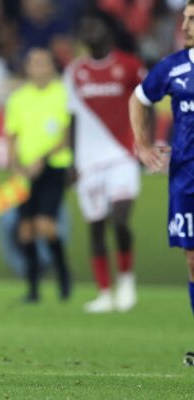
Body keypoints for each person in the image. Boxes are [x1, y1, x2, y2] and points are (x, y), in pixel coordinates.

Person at [64, 10, 145, 313]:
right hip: (88, 162)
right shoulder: (74, 72)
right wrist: (72, 162)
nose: (89, 31)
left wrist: (145, 142)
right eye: (84, 27)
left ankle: (126, 281)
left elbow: (144, 105)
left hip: (123, 154)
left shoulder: (129, 65)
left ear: (108, 31)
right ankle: (105, 293)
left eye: (94, 25)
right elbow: (72, 117)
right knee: (96, 227)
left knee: (121, 220)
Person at [129, 0, 194, 365]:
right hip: (186, 179)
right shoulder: (173, 68)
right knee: (192, 261)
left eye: (192, 19)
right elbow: (139, 99)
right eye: (184, 18)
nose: (185, 26)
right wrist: (142, 144)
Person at [5, 48, 72, 302]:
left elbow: (67, 136)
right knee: (25, 230)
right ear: (28, 68)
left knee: (46, 226)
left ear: (52, 67)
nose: (39, 68)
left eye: (44, 63)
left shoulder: (63, 95)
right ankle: (33, 290)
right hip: (25, 171)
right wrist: (14, 162)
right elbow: (11, 135)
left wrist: (41, 159)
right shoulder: (18, 99)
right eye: (34, 63)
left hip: (53, 168)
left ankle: (64, 277)